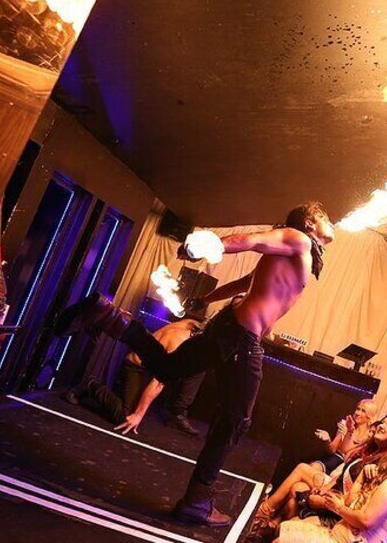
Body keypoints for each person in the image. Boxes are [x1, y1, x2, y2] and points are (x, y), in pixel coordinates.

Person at [55, 201, 335, 526]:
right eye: (323, 216)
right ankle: (196, 501)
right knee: (235, 421)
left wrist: (206, 299)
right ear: (310, 223)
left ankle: (110, 317)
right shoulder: (298, 239)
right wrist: (211, 245)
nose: (331, 221)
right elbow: (252, 240)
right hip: (242, 339)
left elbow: (247, 281)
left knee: (168, 369)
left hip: (230, 328)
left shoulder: (294, 253)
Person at [252, 414, 387, 537]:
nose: (381, 425)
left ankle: (264, 516)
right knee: (297, 490)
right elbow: (344, 461)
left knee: (300, 480)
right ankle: (265, 521)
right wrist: (326, 489)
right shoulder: (371, 452)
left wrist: (326, 502)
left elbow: (360, 505)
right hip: (337, 499)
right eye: (382, 422)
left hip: (343, 518)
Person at [64, 317, 207, 434]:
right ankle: (90, 385)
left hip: (149, 366)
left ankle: (178, 412)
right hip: (135, 368)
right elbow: (157, 383)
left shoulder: (191, 325)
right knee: (124, 417)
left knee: (197, 369)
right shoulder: (177, 343)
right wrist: (139, 414)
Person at [276, 451, 387, 543]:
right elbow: (351, 502)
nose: (378, 468)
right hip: (336, 537)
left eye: (382, 464)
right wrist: (362, 476)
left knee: (281, 539)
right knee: (283, 530)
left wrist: (338, 507)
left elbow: (365, 521)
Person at [314, 399, 378, 473]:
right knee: (313, 467)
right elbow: (332, 450)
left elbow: (349, 453)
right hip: (335, 459)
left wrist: (350, 431)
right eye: (358, 409)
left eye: (363, 411)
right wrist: (327, 440)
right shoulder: (345, 425)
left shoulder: (371, 434)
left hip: (350, 466)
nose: (357, 413)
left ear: (370, 416)